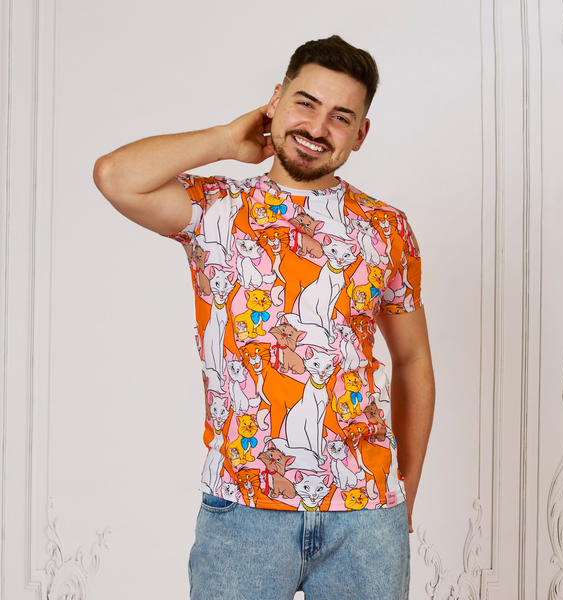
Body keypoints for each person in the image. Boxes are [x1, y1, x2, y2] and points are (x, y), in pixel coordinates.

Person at [94, 35, 435, 600]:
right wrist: (229, 139)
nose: (318, 127)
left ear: (360, 134)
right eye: (305, 103)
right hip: (242, 512)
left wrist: (406, 492)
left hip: (366, 517)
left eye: (341, 116)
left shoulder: (386, 228)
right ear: (274, 101)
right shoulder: (214, 209)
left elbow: (413, 359)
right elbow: (114, 175)